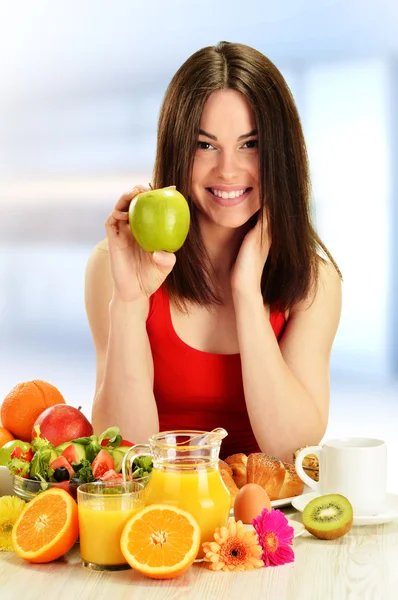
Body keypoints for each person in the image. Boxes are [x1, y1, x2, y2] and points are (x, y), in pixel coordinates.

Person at [85, 41, 342, 463]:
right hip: (163, 518)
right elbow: (125, 451)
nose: (227, 169)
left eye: (250, 144)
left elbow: (293, 449)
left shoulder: (314, 282)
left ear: (281, 153)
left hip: (266, 521)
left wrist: (246, 293)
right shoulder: (113, 267)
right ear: (175, 150)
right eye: (205, 145)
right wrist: (130, 302)